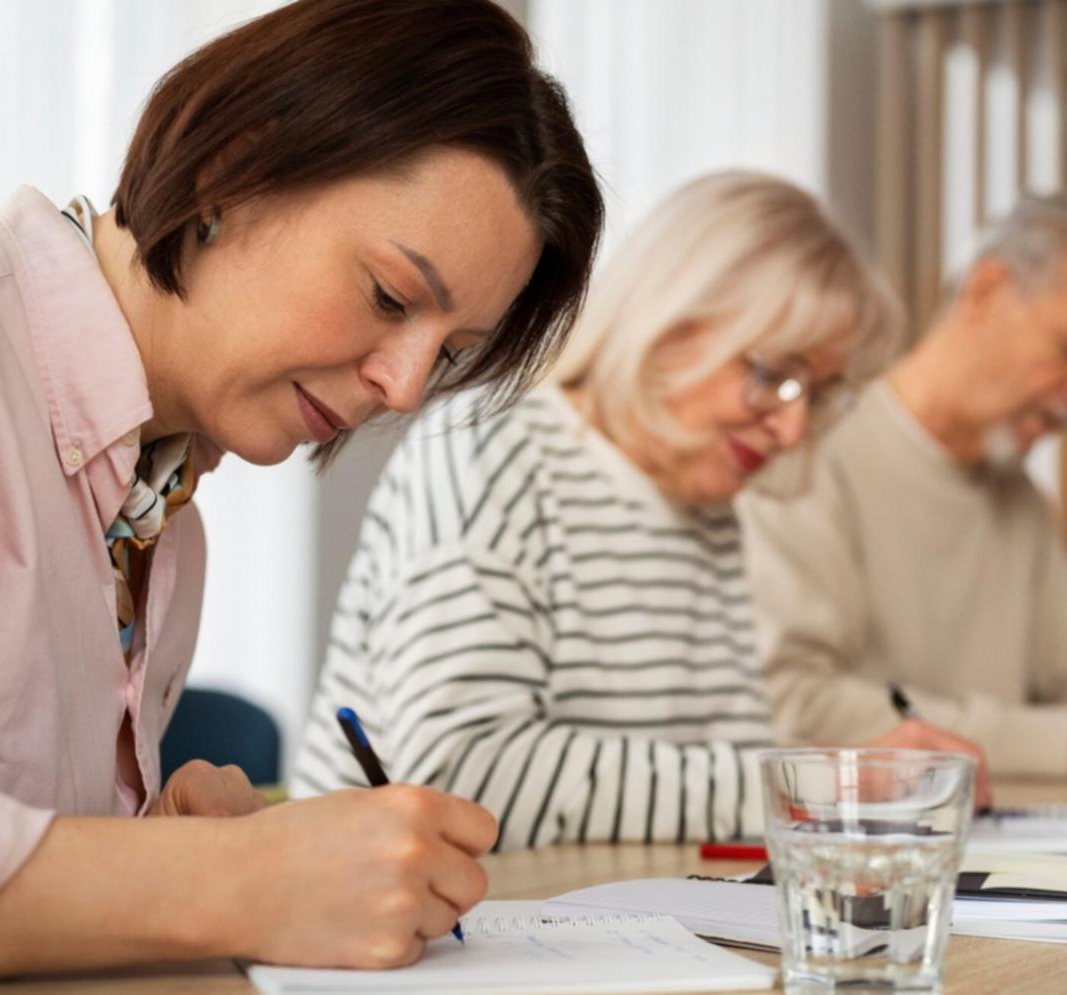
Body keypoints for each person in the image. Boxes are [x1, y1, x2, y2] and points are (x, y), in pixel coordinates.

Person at [0, 1, 603, 990]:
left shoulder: (168, 521)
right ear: (231, 172)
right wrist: (220, 881)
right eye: (388, 296)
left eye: (450, 355)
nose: (406, 387)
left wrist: (160, 852)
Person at [293, 171, 992, 851]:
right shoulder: (491, 448)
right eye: (777, 376)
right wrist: (810, 781)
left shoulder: (703, 503)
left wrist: (814, 785)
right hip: (386, 934)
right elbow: (463, 776)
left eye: (819, 394)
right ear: (669, 323)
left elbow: (716, 777)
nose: (791, 428)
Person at [741, 194, 1067, 781]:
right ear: (986, 292)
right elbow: (793, 705)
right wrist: (1065, 746)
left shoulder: (1020, 503)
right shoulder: (808, 453)